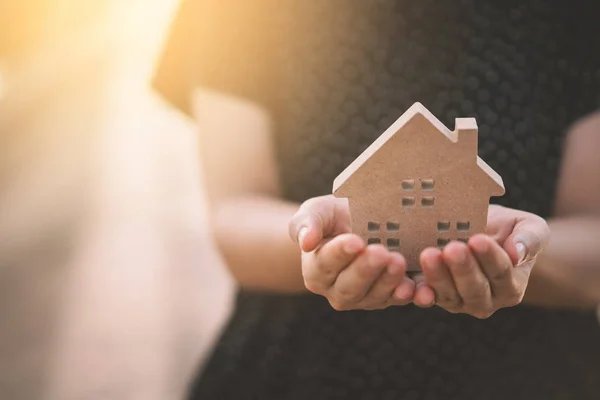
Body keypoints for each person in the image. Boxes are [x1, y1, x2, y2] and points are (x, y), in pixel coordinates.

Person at [154, 1, 600, 398]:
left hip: (531, 375)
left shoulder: (575, 13)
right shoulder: (235, 10)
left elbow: (593, 238)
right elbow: (236, 213)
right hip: (297, 368)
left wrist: (516, 256)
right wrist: (318, 245)